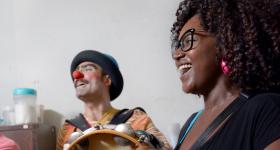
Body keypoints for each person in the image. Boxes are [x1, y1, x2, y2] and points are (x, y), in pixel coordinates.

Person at [170, 0, 280, 149]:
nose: (176, 54)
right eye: (177, 45)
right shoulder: (190, 124)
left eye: (189, 40)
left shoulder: (266, 110)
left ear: (225, 43)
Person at [56, 50, 171, 150]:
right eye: (76, 71)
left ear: (107, 80)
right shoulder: (68, 129)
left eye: (88, 68)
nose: (77, 75)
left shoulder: (137, 119)